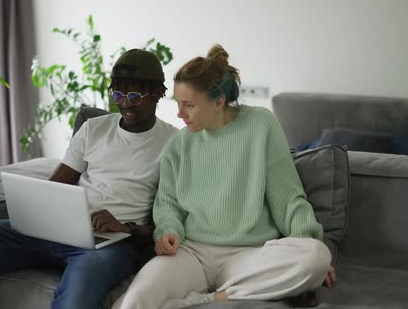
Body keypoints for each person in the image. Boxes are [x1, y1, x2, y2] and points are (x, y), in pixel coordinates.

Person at [0, 49, 178, 309]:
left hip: (111, 245)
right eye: (118, 94)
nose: (124, 103)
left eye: (134, 95)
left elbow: (173, 221)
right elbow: (57, 184)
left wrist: (126, 228)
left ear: (156, 93)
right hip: (60, 228)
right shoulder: (94, 128)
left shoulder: (174, 143)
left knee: (76, 298)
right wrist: (36, 208)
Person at [114, 45, 336, 309]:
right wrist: (168, 231)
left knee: (316, 255)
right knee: (133, 302)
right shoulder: (179, 143)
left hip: (249, 255)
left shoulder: (261, 125)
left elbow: (288, 199)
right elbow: (168, 204)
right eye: (178, 104)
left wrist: (307, 244)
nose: (179, 114)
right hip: (192, 253)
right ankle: (216, 298)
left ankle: (201, 300)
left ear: (218, 101)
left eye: (189, 105)